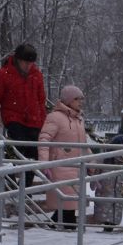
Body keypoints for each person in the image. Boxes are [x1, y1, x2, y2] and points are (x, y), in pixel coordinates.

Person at [38, 85, 90, 227]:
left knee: (69, 207)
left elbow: (84, 145)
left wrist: (92, 163)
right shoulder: (55, 118)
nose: (80, 102)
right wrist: (44, 164)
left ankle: (56, 228)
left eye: (81, 99)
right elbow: (44, 140)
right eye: (77, 99)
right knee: (67, 206)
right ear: (68, 100)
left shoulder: (78, 119)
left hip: (76, 168)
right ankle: (67, 232)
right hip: (60, 167)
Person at [0, 42, 48, 155]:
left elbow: (41, 101)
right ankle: (15, 171)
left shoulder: (36, 75)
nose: (28, 66)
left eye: (31, 63)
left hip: (34, 120)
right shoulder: (3, 74)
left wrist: (43, 123)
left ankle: (26, 172)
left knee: (34, 153)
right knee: (19, 149)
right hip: (14, 118)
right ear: (17, 60)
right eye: (25, 62)